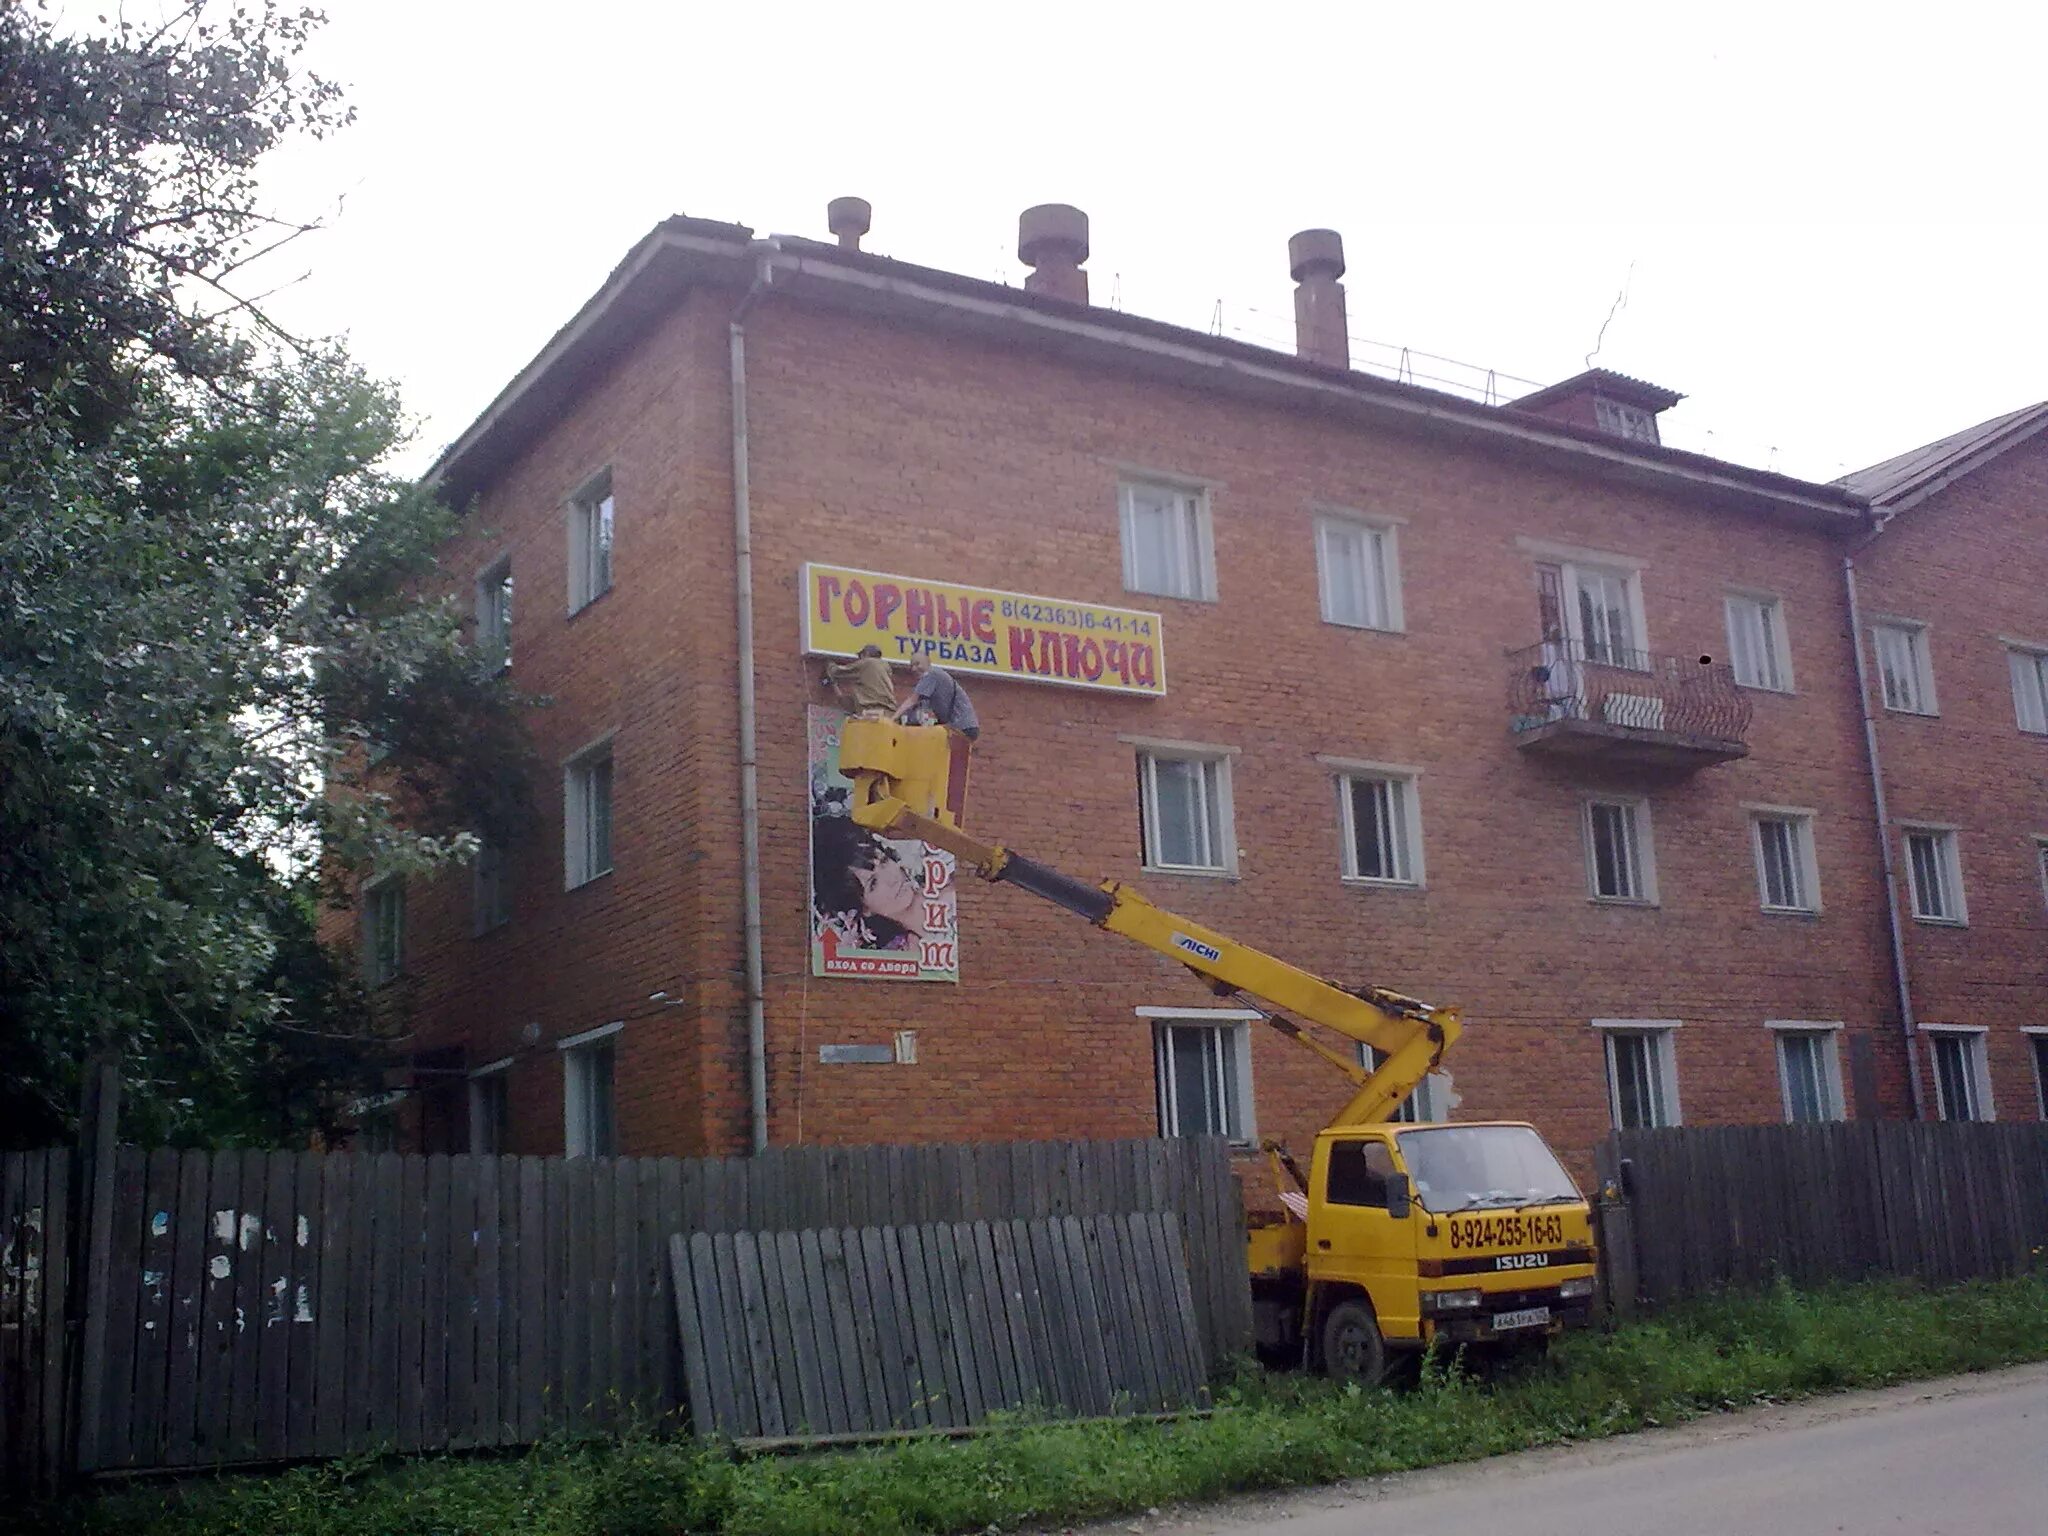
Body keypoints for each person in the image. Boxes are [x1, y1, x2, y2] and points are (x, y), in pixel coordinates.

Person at [810, 813, 927, 952]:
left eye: (884, 861)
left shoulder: (946, 881)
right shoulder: (906, 953)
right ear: (864, 909)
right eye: (873, 883)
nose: (892, 879)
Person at [896, 653, 980, 741]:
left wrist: (893, 718)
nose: (914, 669)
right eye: (912, 666)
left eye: (917, 664)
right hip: (965, 726)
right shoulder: (931, 685)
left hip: (961, 726)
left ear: (927, 663)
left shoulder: (932, 674)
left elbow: (912, 700)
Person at [824, 643, 898, 720]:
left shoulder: (867, 663)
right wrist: (834, 685)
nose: (859, 660)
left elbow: (837, 672)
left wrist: (829, 663)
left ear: (866, 654)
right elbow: (849, 704)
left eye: (860, 657)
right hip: (889, 714)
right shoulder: (885, 667)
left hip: (872, 712)